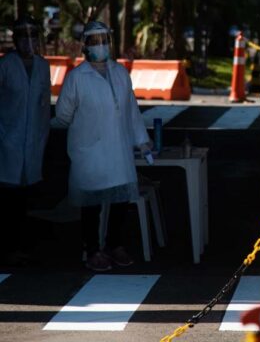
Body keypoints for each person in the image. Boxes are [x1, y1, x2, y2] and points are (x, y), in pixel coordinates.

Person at [52, 21, 151, 272]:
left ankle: (114, 245)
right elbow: (63, 116)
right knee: (92, 205)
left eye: (104, 40)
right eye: (94, 41)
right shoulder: (76, 78)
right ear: (85, 46)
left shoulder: (120, 73)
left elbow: (131, 111)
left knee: (120, 200)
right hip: (90, 151)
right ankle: (92, 250)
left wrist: (141, 140)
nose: (101, 46)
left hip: (118, 149)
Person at [0, 16, 51, 265]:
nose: (28, 41)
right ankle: (7, 247)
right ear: (15, 39)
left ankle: (18, 246)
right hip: (8, 140)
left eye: (33, 35)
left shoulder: (43, 66)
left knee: (23, 199)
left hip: (33, 141)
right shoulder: (6, 65)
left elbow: (43, 106)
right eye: (23, 35)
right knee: (7, 197)